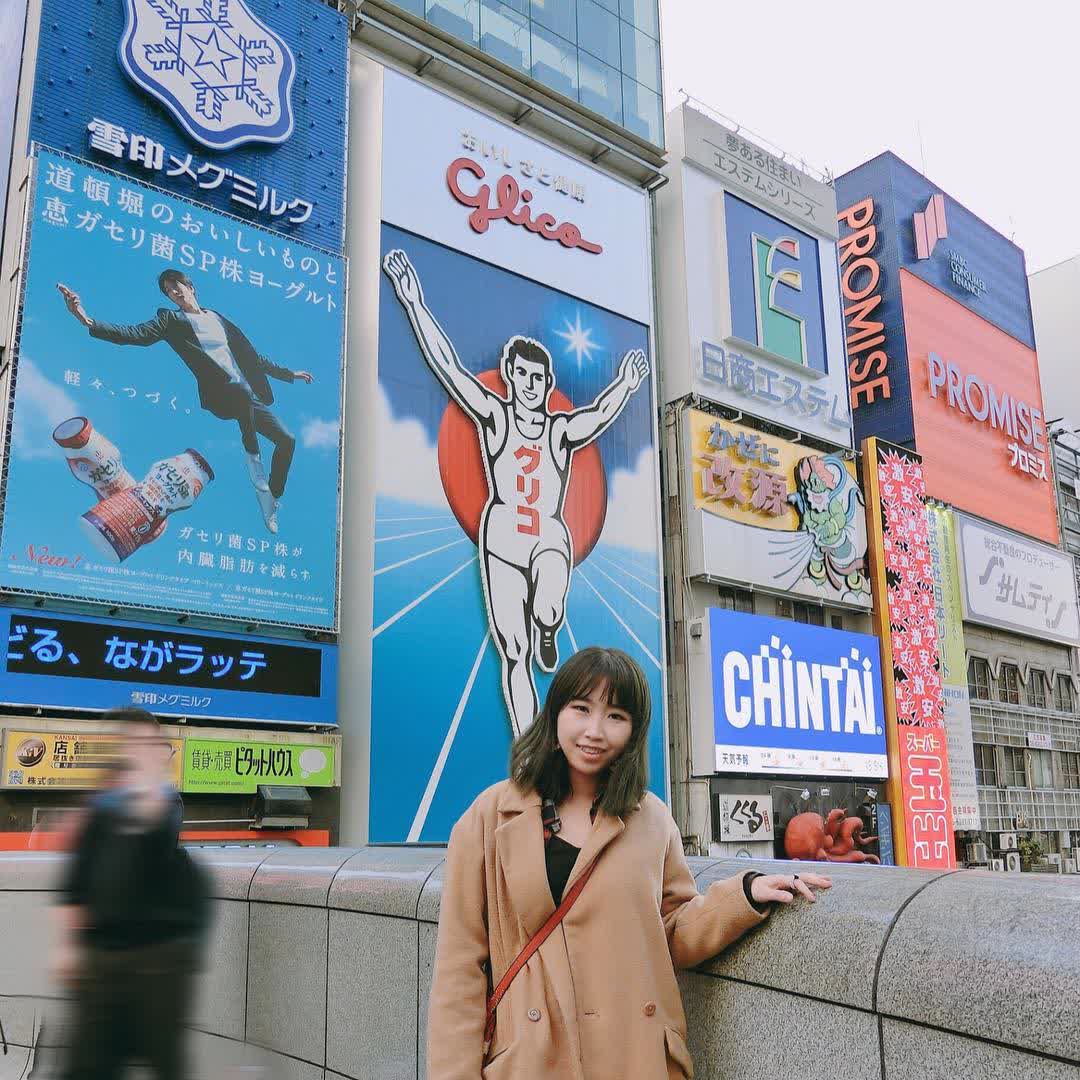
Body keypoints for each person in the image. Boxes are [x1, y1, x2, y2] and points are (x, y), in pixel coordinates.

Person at [427, 647, 831, 1080]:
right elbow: (460, 964)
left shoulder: (651, 818)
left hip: (632, 1056)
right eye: (581, 709)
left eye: (616, 716)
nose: (595, 731)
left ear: (634, 730)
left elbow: (671, 929)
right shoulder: (490, 816)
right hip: (530, 1059)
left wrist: (745, 893)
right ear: (555, 714)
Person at [384, 249, 650, 736]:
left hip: (548, 532)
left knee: (547, 607)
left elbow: (598, 415)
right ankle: (529, 743)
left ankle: (549, 626)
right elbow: (448, 367)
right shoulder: (495, 415)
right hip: (503, 533)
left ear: (548, 384)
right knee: (513, 650)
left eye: (538, 378)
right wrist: (412, 301)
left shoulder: (559, 430)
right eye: (521, 376)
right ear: (510, 377)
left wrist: (626, 385)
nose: (529, 384)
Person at [57, 272, 315, 535]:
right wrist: (85, 319)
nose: (174, 293)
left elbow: (251, 356)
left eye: (176, 287)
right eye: (168, 291)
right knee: (239, 391)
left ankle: (272, 496)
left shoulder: (216, 318)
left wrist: (287, 374)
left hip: (246, 395)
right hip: (220, 395)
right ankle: (255, 470)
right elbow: (135, 335)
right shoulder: (171, 320)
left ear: (190, 287)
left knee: (287, 440)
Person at [51, 708, 210, 1080]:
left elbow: (153, 840)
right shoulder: (100, 809)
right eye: (127, 743)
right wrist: (68, 945)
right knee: (87, 1066)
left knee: (163, 1061)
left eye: (146, 744)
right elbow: (76, 881)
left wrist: (145, 790)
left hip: (159, 958)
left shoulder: (165, 803)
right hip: (102, 959)